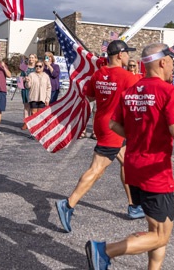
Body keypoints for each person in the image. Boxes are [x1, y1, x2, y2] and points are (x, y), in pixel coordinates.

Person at [86, 43, 174, 270]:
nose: (173, 68)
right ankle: (104, 251)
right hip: (155, 171)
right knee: (160, 236)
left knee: (157, 229)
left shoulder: (131, 91)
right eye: (172, 63)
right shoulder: (169, 91)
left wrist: (136, 137)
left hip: (135, 168)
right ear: (162, 62)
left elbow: (114, 123)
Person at [56, 40, 142, 235]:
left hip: (106, 124)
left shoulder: (98, 74)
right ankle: (68, 204)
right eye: (127, 53)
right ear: (120, 55)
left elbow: (91, 97)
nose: (129, 56)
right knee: (96, 170)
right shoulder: (129, 77)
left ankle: (134, 205)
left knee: (127, 162)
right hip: (113, 127)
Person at [19, 54, 37, 129]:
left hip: (34, 90)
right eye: (30, 58)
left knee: (33, 107)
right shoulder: (25, 68)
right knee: (26, 107)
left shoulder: (37, 68)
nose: (31, 59)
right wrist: (24, 79)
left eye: (32, 58)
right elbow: (19, 80)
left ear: (35, 59)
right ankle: (25, 122)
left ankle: (32, 123)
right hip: (25, 90)